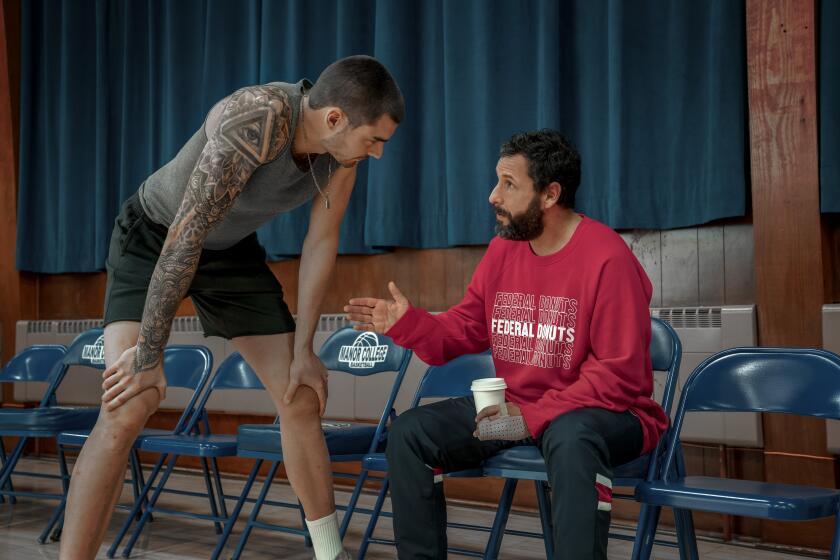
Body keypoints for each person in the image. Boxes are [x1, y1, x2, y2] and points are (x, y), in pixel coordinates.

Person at [60, 55, 403, 560]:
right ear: (334, 119)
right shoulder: (257, 117)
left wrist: (305, 348)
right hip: (156, 236)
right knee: (129, 403)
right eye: (373, 139)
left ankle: (331, 555)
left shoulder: (340, 155)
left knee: (299, 393)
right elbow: (183, 236)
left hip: (229, 249)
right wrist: (148, 351)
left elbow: (320, 242)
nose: (376, 153)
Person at [344, 129, 669, 559]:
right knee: (410, 432)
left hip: (608, 414)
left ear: (550, 194)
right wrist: (409, 324)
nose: (493, 196)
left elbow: (617, 376)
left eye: (509, 184)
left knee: (573, 438)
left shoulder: (607, 258)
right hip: (520, 411)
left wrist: (529, 418)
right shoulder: (503, 251)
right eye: (497, 181)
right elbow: (464, 328)